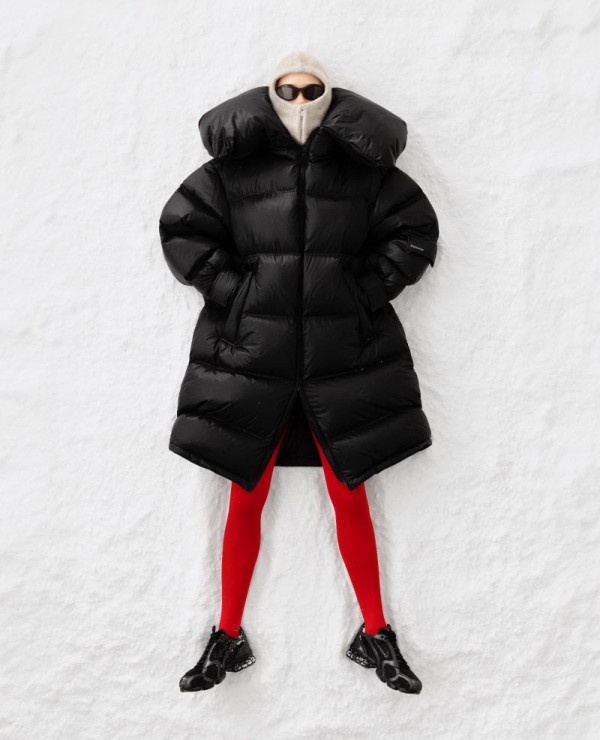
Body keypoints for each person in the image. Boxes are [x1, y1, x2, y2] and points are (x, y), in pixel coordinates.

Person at [159, 50, 439, 694]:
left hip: (341, 356)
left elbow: (415, 231)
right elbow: (183, 229)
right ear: (270, 95)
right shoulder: (234, 168)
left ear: (330, 95)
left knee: (350, 489)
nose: (301, 100)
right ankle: (227, 635)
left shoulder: (364, 169)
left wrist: (363, 292)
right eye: (287, 89)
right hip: (253, 356)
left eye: (313, 89)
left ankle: (377, 634)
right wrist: (233, 292)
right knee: (245, 490)